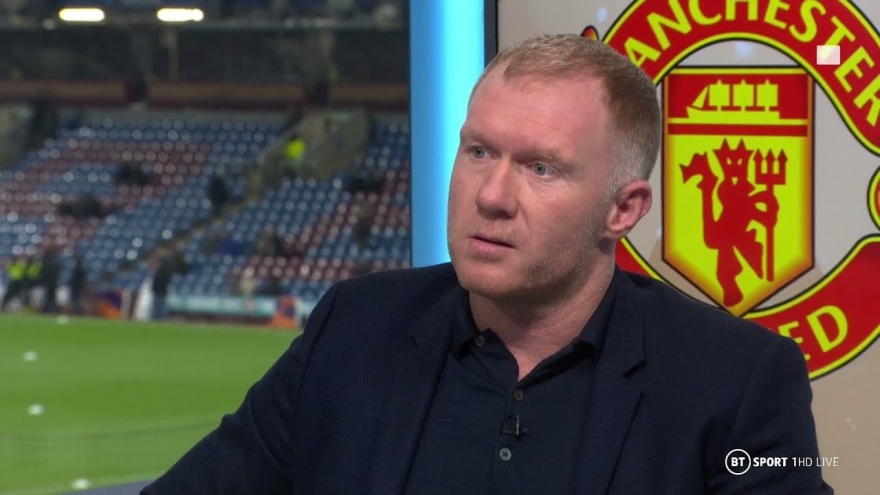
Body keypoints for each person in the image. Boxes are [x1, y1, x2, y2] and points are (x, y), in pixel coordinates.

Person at [142, 35, 832, 494]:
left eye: (540, 167)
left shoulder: (739, 380)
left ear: (623, 209)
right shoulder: (353, 327)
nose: (492, 195)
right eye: (478, 152)